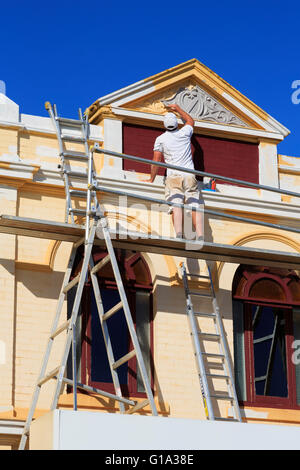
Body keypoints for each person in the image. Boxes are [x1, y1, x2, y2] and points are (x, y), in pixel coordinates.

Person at [142, 103, 203, 240]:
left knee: (176, 204)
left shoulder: (161, 139)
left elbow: (156, 161)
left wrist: (151, 179)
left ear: (164, 125)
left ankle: (179, 234)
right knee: (194, 204)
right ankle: (199, 235)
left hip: (173, 176)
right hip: (189, 175)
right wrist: (178, 108)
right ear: (176, 124)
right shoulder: (184, 133)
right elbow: (190, 121)